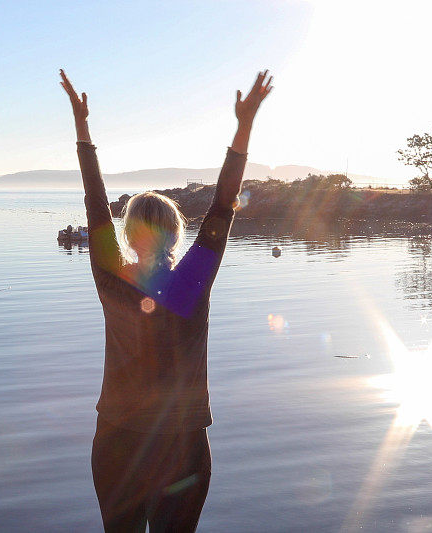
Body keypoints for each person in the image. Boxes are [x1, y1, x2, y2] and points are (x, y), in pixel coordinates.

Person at [60, 68, 273, 532]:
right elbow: (223, 205)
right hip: (181, 445)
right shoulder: (190, 283)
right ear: (177, 232)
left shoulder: (112, 279)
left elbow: (95, 203)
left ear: (128, 233)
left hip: (116, 439)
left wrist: (82, 126)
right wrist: (244, 125)